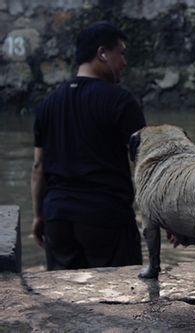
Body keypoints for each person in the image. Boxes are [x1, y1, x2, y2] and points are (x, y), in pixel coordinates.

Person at [31, 21, 145, 270]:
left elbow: (39, 167)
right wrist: (161, 216)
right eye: (121, 53)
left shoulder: (47, 104)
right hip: (106, 217)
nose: (124, 63)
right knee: (122, 299)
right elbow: (146, 163)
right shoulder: (121, 101)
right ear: (102, 53)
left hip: (58, 217)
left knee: (63, 301)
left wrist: (40, 215)